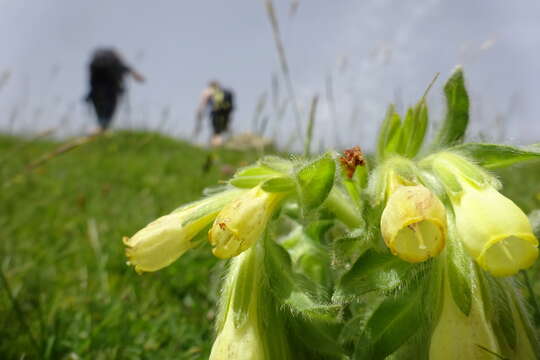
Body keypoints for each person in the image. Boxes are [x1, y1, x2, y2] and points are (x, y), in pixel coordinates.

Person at [86, 48, 145, 131]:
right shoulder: (115, 64)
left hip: (96, 94)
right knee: (108, 114)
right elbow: (128, 70)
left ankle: (101, 129)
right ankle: (103, 130)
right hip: (111, 93)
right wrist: (137, 76)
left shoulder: (95, 65)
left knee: (101, 114)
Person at [195, 81, 235, 146]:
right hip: (225, 113)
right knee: (222, 130)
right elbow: (231, 106)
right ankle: (223, 144)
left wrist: (199, 110)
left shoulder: (208, 91)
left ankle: (216, 147)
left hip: (216, 112)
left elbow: (203, 102)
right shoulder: (225, 92)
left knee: (216, 132)